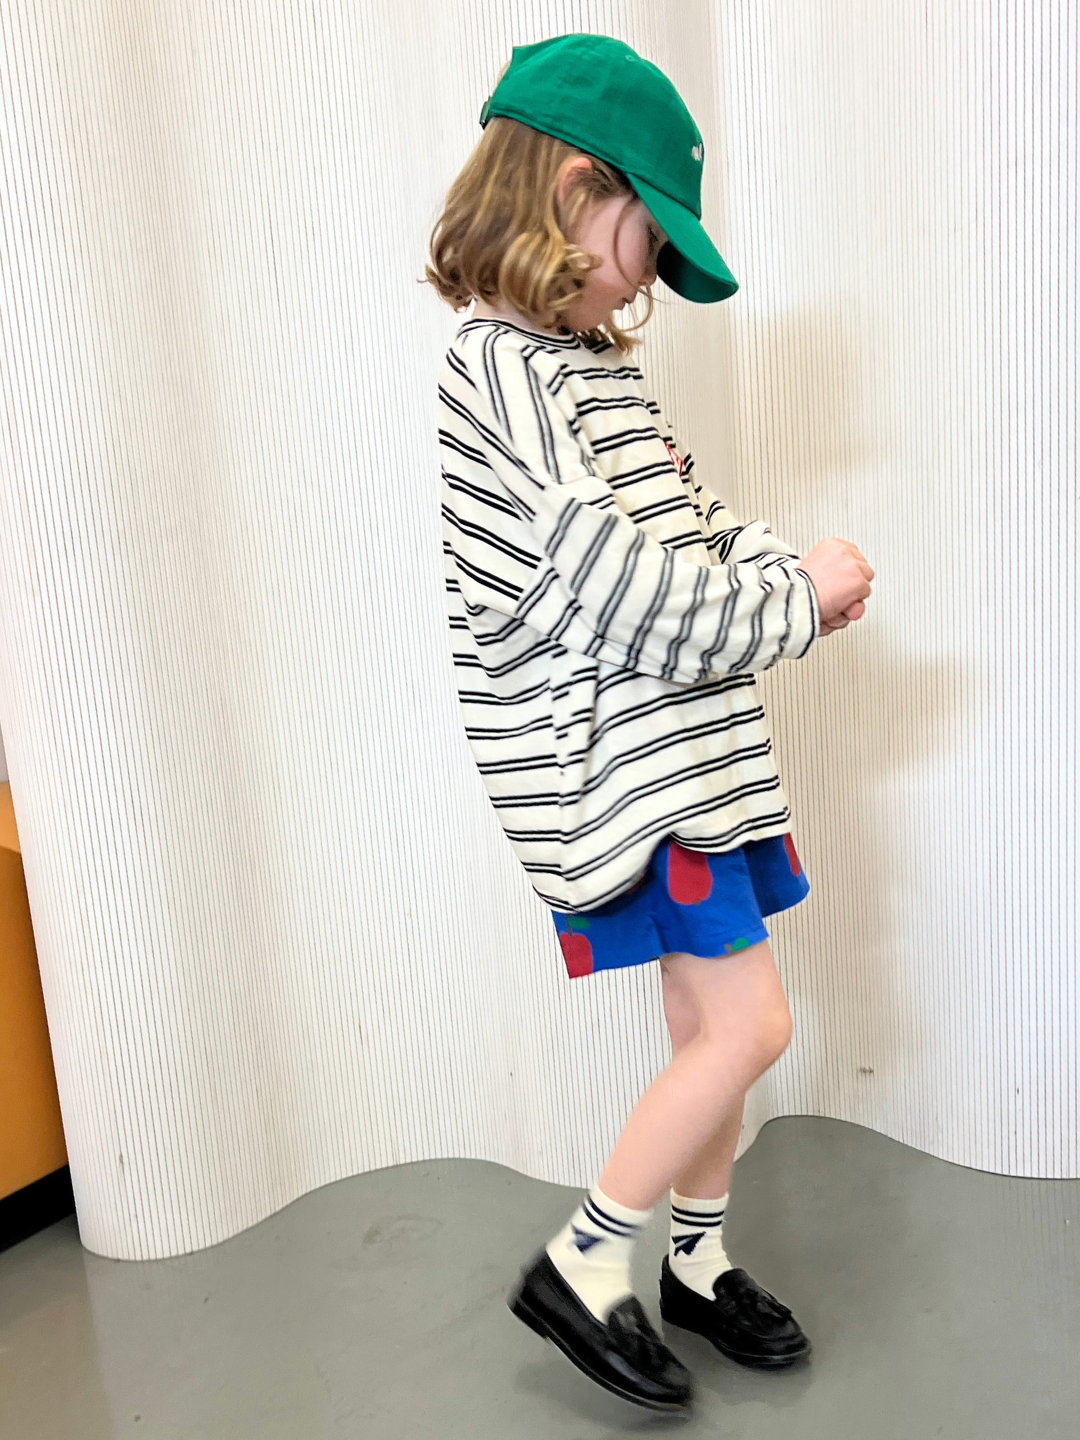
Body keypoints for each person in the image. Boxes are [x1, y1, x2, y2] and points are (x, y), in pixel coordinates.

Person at [426, 33, 873, 1416]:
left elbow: (680, 526)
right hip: (628, 769)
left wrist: (778, 566)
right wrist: (789, 605)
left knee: (704, 1018)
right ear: (571, 192)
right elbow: (621, 591)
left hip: (692, 754)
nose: (649, 277)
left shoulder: (587, 371)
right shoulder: (500, 372)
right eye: (644, 237)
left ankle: (691, 1260)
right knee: (751, 1027)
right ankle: (584, 1261)